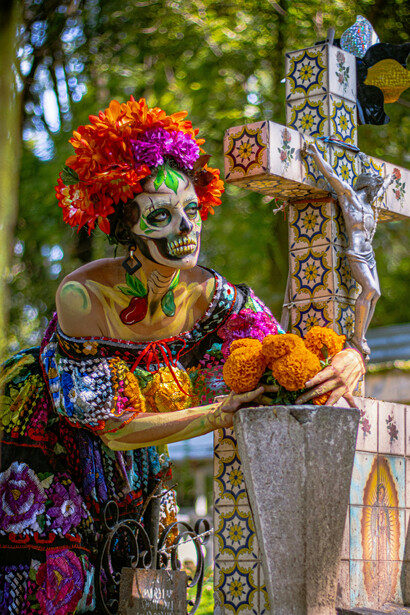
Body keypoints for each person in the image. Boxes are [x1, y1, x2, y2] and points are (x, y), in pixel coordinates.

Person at [0, 98, 365, 614]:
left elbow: (290, 356)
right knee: (66, 582)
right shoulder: (84, 298)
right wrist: (217, 415)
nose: (185, 227)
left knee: (147, 584)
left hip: (145, 454)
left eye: (191, 210)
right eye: (162, 216)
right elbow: (112, 427)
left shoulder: (211, 297)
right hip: (53, 446)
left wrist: (350, 358)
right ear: (128, 229)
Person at [302, 141, 395, 357]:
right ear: (367, 187)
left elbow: (384, 187)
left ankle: (361, 335)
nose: (377, 192)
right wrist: (316, 154)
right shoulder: (349, 197)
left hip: (369, 255)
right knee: (369, 289)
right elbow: (332, 175)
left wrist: (390, 179)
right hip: (356, 254)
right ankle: (356, 337)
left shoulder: (370, 206)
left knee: (377, 293)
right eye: (375, 187)